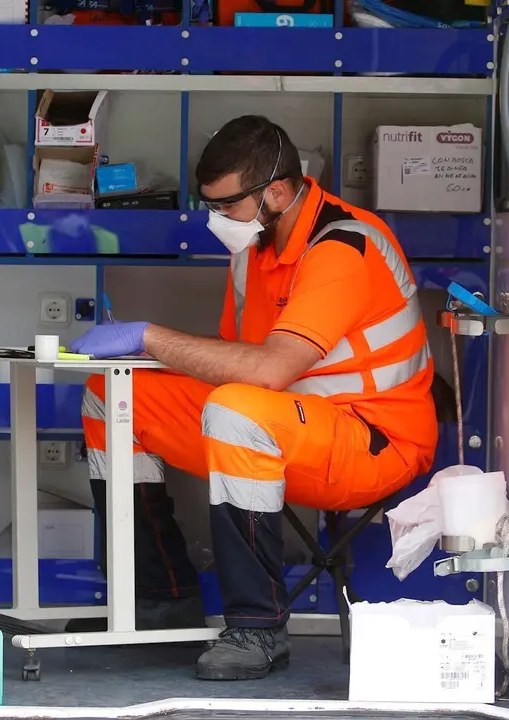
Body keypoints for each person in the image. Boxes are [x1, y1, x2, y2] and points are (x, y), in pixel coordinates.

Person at [69, 115, 439, 681]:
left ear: (278, 193)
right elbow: (233, 358)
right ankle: (158, 599)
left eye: (227, 205)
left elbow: (267, 371)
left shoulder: (343, 248)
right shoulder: (254, 248)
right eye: (210, 205)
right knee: (113, 396)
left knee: (236, 411)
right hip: (292, 427)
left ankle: (257, 629)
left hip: (372, 444)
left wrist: (150, 337)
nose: (216, 219)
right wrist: (140, 356)